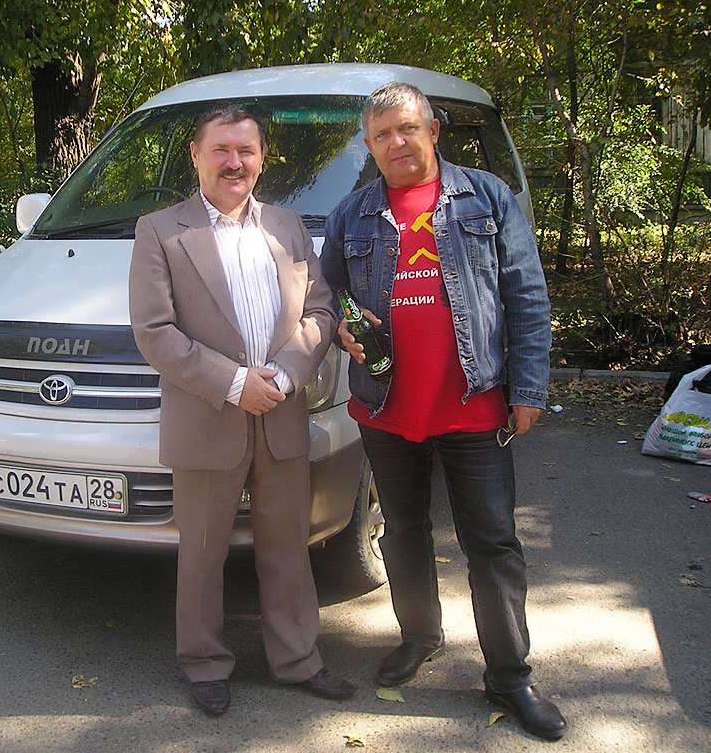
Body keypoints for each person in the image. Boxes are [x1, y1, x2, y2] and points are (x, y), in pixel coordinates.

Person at [320, 82, 567, 740]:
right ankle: (420, 636)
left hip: (474, 405)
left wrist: (529, 389)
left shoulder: (486, 197)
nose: (396, 142)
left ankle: (509, 676)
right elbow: (328, 291)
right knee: (403, 531)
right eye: (381, 135)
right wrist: (340, 325)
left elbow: (527, 297)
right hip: (385, 408)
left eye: (407, 128)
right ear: (369, 146)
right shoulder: (351, 214)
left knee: (492, 542)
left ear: (432, 130)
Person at [129, 106, 354, 717]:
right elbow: (154, 331)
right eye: (221, 150)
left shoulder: (288, 225)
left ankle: (298, 659)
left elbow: (322, 311)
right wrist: (233, 384)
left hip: (281, 411)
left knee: (288, 546)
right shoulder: (160, 231)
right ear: (196, 156)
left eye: (246, 151)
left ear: (261, 158)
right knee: (202, 552)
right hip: (207, 417)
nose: (235, 162)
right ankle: (204, 663)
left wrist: (283, 374)